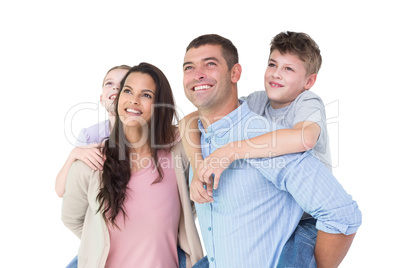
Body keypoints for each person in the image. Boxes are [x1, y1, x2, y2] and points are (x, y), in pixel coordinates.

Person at [181, 34, 362, 267]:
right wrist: (198, 168)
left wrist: (231, 151)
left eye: (210, 64)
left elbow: (304, 139)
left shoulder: (306, 105)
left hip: (309, 218)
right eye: (273, 65)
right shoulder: (257, 103)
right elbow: (191, 120)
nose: (277, 74)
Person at [62, 63, 207, 268]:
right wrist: (98, 241)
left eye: (146, 95)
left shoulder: (178, 154)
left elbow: (204, 117)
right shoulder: (91, 164)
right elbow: (72, 219)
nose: (134, 100)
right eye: (128, 91)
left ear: (160, 105)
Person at [55, 65, 131, 198]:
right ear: (101, 99)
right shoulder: (90, 136)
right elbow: (61, 190)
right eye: (109, 83)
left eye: (124, 84)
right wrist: (73, 155)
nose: (115, 87)